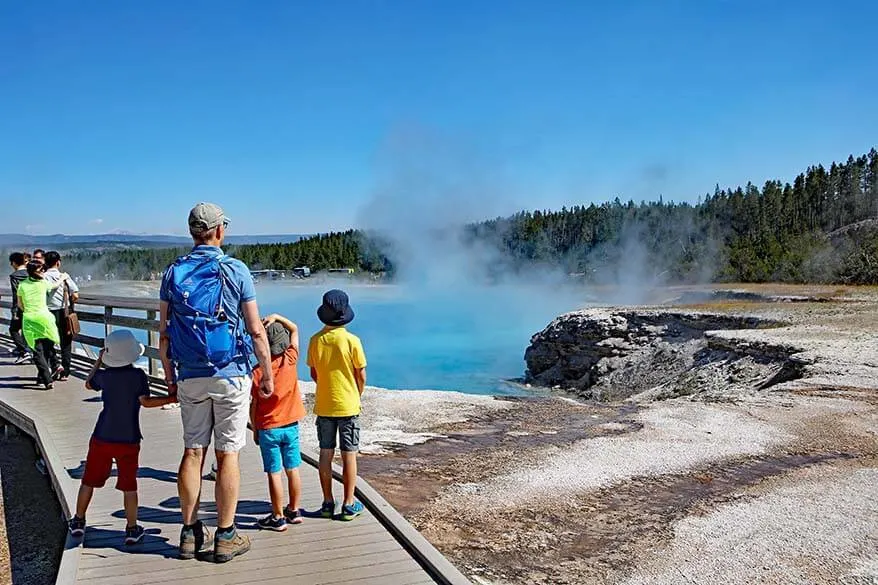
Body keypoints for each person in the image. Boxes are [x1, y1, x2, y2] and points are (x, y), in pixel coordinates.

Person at [159, 202, 274, 563]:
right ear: (220, 231)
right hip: (231, 373)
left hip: (190, 373)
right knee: (228, 455)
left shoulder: (173, 272)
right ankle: (226, 535)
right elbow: (255, 329)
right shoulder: (236, 270)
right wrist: (266, 375)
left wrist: (169, 375)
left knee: (193, 452)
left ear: (192, 232)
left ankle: (190, 533)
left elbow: (164, 333)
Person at [67, 330, 177, 544]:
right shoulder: (137, 376)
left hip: (102, 436)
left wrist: (98, 360)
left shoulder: (104, 377)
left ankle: (78, 521)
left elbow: (88, 383)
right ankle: (132, 528)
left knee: (88, 480)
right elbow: (145, 401)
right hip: (129, 439)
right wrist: (170, 399)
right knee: (129, 485)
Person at [307, 289, 367, 521]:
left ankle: (327, 502)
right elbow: (360, 374)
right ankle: (349, 503)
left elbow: (314, 373)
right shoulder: (352, 341)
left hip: (325, 404)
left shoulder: (315, 340)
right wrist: (356, 392)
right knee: (349, 454)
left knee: (325, 452)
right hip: (349, 405)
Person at [250, 314, 306, 531]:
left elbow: (254, 405)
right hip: (291, 426)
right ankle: (294, 510)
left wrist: (254, 429)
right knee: (293, 469)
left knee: (274, 472)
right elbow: (295, 330)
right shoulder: (289, 360)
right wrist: (277, 318)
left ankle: (278, 516)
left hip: (268, 428)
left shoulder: (257, 372)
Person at [17, 261, 68, 389]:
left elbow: (20, 305)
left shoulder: (22, 285)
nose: (43, 272)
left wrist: (29, 311)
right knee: (48, 347)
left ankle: (46, 378)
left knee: (37, 351)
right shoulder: (43, 283)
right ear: (34, 271)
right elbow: (55, 285)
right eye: (40, 270)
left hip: (29, 319)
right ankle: (51, 371)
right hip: (45, 318)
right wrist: (63, 277)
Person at [43, 251, 80, 381]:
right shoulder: (64, 276)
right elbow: (75, 295)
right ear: (58, 262)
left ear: (45, 263)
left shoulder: (42, 277)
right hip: (64, 312)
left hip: (47, 313)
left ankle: (53, 367)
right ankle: (65, 371)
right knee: (66, 342)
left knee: (47, 342)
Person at [7, 252, 31, 363]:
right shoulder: (31, 273)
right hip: (32, 307)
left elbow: (16, 294)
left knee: (13, 329)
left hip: (20, 308)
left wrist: (15, 311)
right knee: (29, 331)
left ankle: (24, 351)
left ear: (14, 263)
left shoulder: (14, 276)